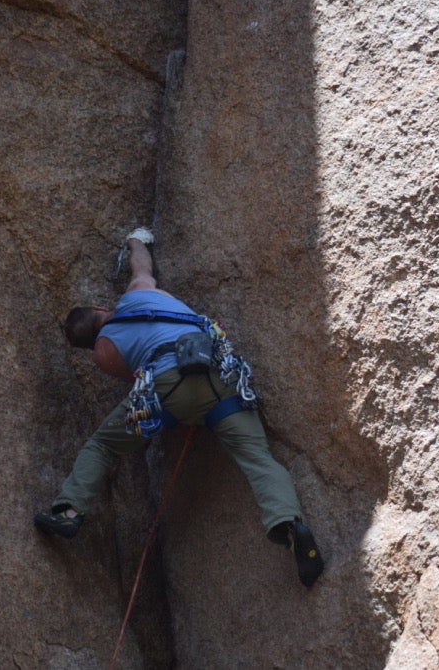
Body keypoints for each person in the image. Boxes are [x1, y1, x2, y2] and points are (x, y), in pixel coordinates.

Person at [34, 228, 324, 587]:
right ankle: (290, 523)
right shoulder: (137, 294)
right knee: (258, 459)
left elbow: (142, 384)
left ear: (87, 345)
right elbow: (142, 267)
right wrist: (136, 241)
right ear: (100, 309)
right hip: (223, 375)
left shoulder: (103, 352)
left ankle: (68, 510)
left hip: (170, 391)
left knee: (104, 445)